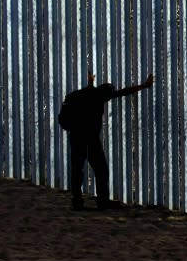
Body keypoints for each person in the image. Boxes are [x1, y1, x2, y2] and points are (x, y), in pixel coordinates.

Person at [59, 71, 155, 211]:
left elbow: (94, 88)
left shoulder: (84, 93)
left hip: (76, 137)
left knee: (77, 169)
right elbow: (123, 92)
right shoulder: (98, 97)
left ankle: (77, 201)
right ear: (105, 94)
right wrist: (144, 86)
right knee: (101, 169)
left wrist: (91, 80)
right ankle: (102, 201)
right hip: (90, 139)